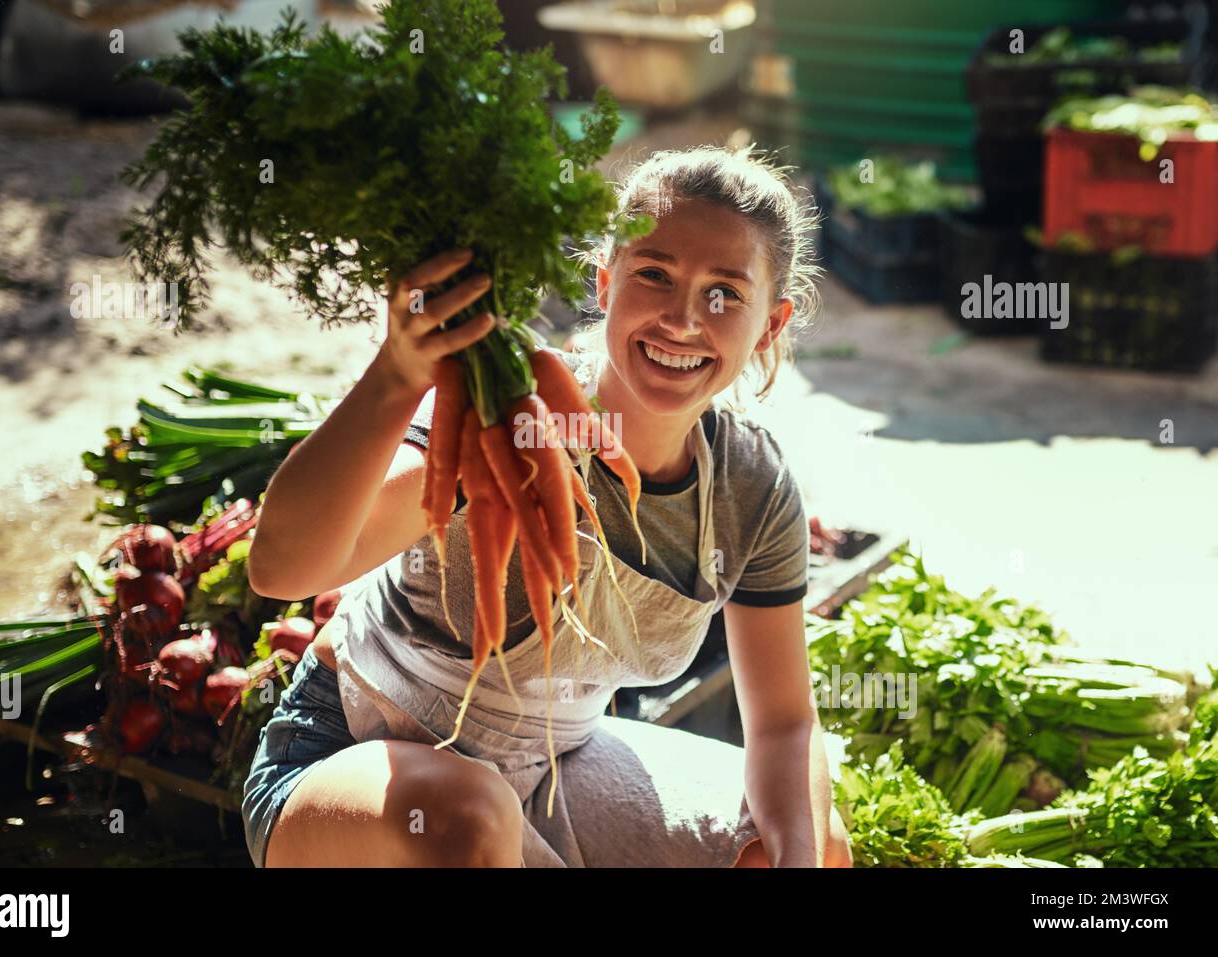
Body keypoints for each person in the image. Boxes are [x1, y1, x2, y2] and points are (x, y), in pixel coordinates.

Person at [242, 145, 853, 868]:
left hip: (552, 768)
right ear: (606, 281)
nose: (684, 319)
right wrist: (399, 373)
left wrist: (800, 862)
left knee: (793, 842)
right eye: (654, 273)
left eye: (724, 293)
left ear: (771, 325)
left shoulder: (749, 486)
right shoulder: (507, 415)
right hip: (351, 762)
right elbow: (282, 568)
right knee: (470, 819)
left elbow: (784, 724)